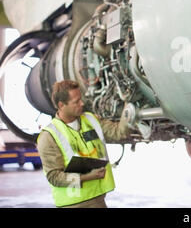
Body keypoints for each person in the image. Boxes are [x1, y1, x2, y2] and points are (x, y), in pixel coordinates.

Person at [37, 80, 133, 208]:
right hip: (73, 204)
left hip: (98, 200)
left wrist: (129, 105)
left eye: (80, 99)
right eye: (76, 102)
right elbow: (54, 177)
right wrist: (86, 177)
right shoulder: (49, 136)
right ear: (61, 105)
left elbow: (119, 133)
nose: (82, 103)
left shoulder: (91, 120)